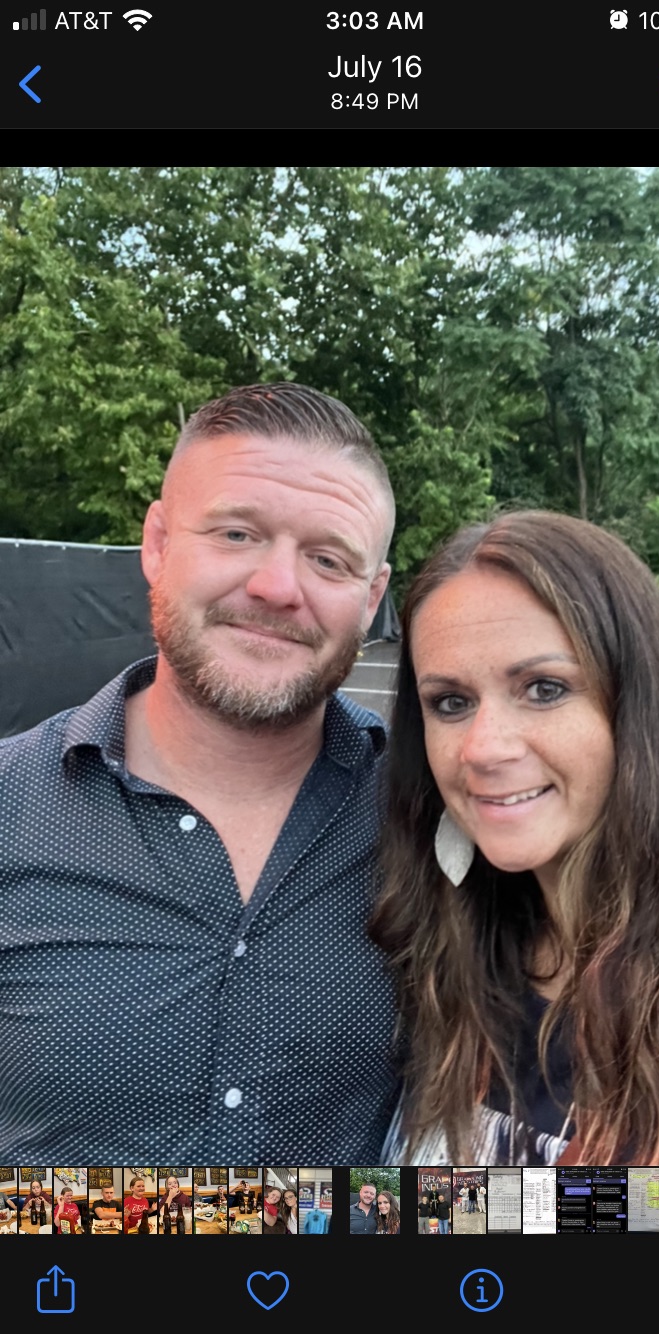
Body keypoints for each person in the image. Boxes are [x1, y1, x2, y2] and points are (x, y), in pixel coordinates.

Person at [0, 383, 399, 1161]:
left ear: (371, 596)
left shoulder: (433, 817)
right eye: (237, 533)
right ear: (157, 544)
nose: (277, 587)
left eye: (328, 559)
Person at [372, 510, 659, 1167]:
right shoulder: (442, 952)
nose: (483, 748)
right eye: (451, 702)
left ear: (640, 706)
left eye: (544, 689)